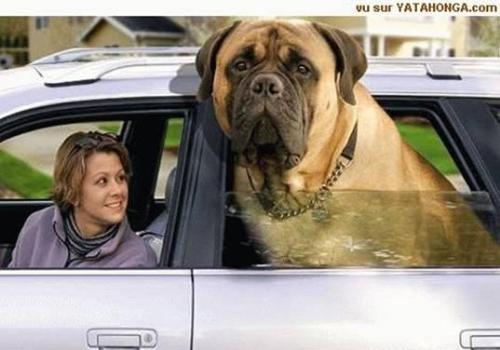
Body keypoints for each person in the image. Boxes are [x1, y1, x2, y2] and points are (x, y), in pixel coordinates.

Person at [8, 131, 157, 268]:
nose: (118, 190)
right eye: (102, 181)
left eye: (121, 178)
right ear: (72, 192)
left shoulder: (136, 260)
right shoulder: (38, 224)